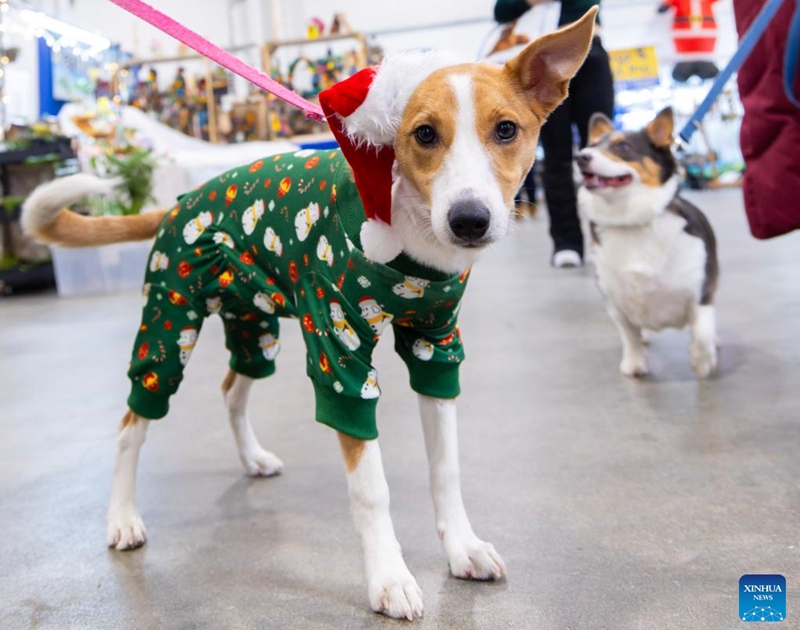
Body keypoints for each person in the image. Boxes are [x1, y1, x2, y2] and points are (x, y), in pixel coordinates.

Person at [494, 0, 615, 267]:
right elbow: (501, 11)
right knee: (556, 155)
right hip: (544, 64)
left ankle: (607, 237)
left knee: (600, 151)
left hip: (591, 52)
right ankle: (566, 242)